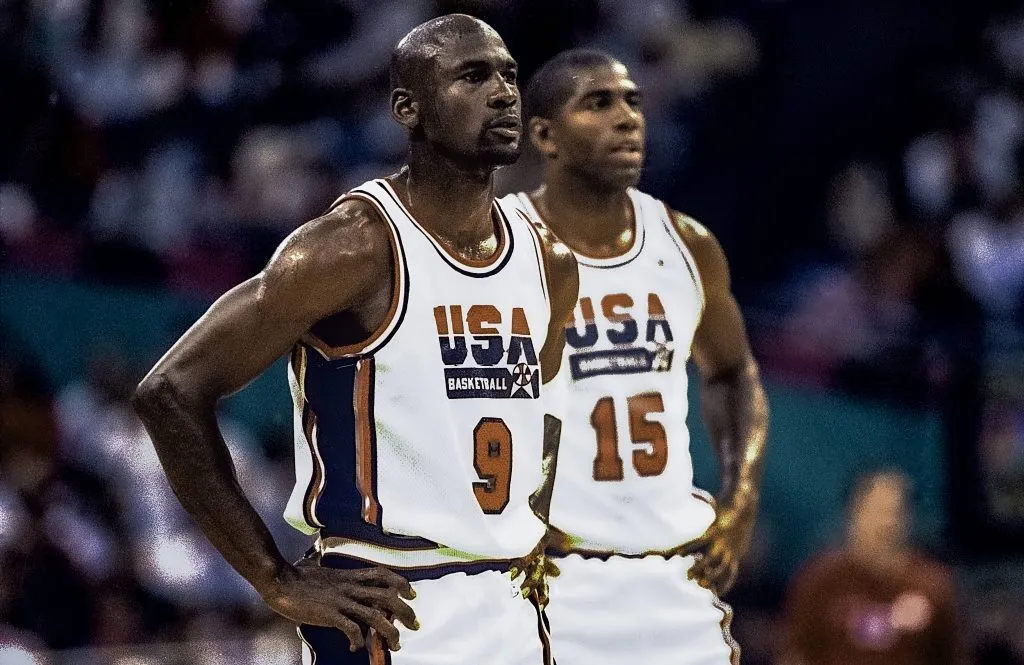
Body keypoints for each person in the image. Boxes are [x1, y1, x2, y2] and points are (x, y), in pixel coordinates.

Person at [132, 14, 578, 665]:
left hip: (512, 601)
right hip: (388, 602)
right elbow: (169, 391)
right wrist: (274, 579)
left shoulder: (546, 258)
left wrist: (541, 530)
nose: (503, 93)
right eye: (473, 76)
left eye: (509, 76)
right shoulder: (352, 247)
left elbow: (546, 416)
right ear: (408, 108)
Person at [504, 49, 769, 665]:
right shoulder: (499, 246)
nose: (627, 118)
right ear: (544, 135)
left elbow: (733, 373)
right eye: (598, 104)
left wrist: (740, 500)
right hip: (548, 573)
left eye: (633, 102)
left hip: (674, 569)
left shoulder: (687, 244)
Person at [780, 470, 964, 665]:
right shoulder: (820, 582)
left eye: (894, 512)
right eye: (877, 511)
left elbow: (952, 656)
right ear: (853, 514)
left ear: (908, 518)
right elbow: (795, 654)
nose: (886, 523)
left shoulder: (932, 586)